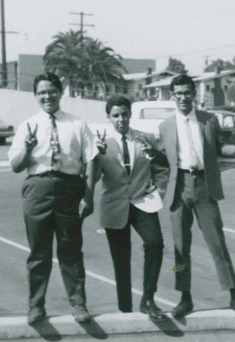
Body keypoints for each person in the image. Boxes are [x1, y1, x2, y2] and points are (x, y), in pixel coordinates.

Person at [8, 73, 98, 325]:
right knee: (39, 253)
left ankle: (78, 304)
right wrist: (27, 147)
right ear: (36, 96)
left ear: (60, 92)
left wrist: (88, 196)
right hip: (37, 189)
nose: (47, 96)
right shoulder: (27, 125)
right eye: (41, 92)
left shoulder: (77, 124)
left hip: (69, 188)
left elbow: (91, 160)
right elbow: (15, 166)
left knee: (70, 250)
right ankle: (36, 306)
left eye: (51, 91)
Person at [157, 74, 235, 319]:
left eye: (188, 92)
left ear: (194, 94)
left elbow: (220, 147)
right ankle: (184, 297)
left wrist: (234, 150)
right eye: (178, 93)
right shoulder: (165, 126)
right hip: (179, 190)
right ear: (172, 96)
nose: (183, 98)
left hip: (204, 187)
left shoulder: (209, 121)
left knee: (217, 243)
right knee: (180, 249)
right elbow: (159, 160)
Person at [90, 96, 169, 320]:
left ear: (130, 115)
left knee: (155, 244)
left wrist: (158, 192)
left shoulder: (145, 138)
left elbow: (162, 167)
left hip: (143, 202)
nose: (121, 119)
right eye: (116, 115)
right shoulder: (101, 143)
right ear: (108, 118)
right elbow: (93, 178)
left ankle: (148, 299)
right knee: (120, 258)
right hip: (114, 205)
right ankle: (125, 308)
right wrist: (95, 157)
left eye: (124, 114)